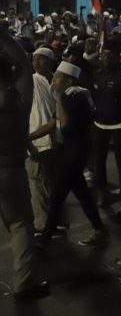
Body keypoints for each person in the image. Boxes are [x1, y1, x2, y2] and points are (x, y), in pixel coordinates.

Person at [0, 27, 49, 299]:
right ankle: (25, 282)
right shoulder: (17, 102)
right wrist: (5, 37)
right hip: (9, 169)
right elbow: (22, 63)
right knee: (20, 223)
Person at [38, 61, 107, 247]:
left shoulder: (73, 96)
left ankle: (45, 239)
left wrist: (59, 97)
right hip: (72, 152)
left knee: (57, 197)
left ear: (68, 81)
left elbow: (66, 123)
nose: (54, 78)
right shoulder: (72, 95)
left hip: (73, 154)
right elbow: (53, 122)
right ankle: (100, 229)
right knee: (82, 193)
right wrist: (27, 137)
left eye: (58, 76)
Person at [92, 39, 121, 215]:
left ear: (116, 56)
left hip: (119, 126)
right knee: (99, 163)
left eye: (108, 54)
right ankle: (101, 195)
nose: (104, 57)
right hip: (99, 125)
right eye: (103, 54)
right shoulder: (97, 75)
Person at [26, 47, 58, 233]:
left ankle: (55, 220)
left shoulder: (57, 80)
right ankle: (43, 223)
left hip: (56, 140)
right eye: (34, 59)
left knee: (53, 182)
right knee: (37, 183)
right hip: (36, 140)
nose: (36, 62)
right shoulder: (30, 81)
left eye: (41, 59)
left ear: (50, 61)